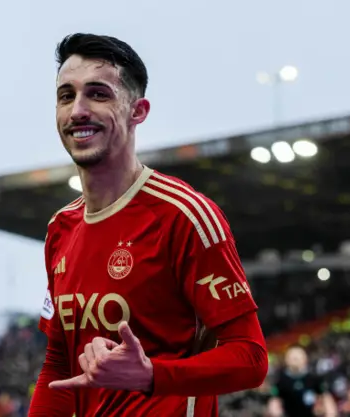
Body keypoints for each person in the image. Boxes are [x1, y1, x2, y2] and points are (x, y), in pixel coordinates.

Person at [28, 33, 268, 417]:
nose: (77, 111)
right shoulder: (61, 228)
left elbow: (251, 358)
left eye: (98, 94)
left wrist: (150, 374)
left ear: (138, 110)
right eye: (66, 96)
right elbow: (58, 365)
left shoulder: (185, 216)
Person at [267, 346, 337, 417]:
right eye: (293, 358)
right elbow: (274, 401)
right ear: (286, 360)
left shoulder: (313, 378)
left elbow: (326, 397)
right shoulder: (281, 380)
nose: (295, 360)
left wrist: (330, 413)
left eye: (298, 357)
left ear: (305, 359)